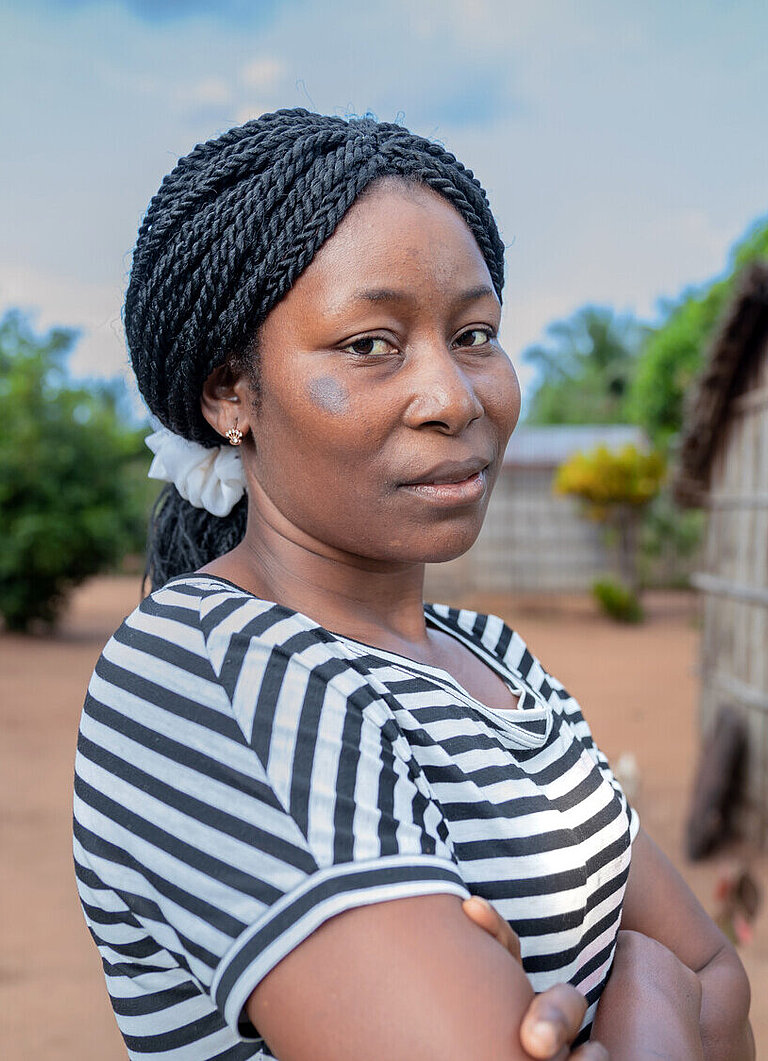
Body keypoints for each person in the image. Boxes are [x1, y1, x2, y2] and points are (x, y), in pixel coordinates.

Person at [73, 108, 753, 1060]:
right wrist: (649, 984)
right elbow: (690, 987)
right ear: (230, 391)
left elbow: (722, 978)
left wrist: (647, 989)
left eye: (475, 333)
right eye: (370, 344)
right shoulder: (202, 672)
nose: (454, 396)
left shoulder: (494, 660)